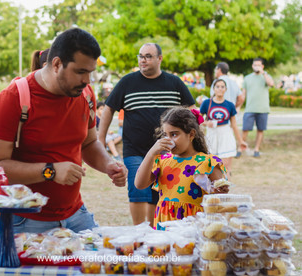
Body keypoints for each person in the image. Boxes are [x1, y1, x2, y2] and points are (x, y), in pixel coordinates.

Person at [0, 28, 127, 234]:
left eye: (90, 72)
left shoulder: (85, 94)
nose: (87, 80)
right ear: (57, 64)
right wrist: (50, 171)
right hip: (24, 220)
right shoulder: (14, 97)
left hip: (76, 215)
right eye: (80, 72)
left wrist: (108, 164)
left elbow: (88, 143)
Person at [98, 43, 196, 226]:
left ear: (160, 58)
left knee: (157, 193)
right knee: (137, 190)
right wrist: (101, 139)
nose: (143, 60)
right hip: (135, 149)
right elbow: (109, 109)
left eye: (148, 56)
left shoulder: (174, 83)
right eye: (141, 56)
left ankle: (153, 233)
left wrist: (192, 141)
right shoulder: (127, 82)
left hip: (167, 151)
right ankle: (138, 233)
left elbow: (191, 111)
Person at [134, 107, 228, 229]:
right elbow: (139, 184)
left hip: (193, 229)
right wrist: (151, 153)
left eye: (174, 134)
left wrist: (220, 191)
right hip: (165, 228)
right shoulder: (162, 161)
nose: (169, 140)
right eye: (165, 135)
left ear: (191, 134)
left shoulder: (208, 163)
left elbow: (220, 201)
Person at [200, 79, 247, 180]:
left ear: (226, 89)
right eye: (217, 86)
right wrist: (206, 123)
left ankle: (225, 193)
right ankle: (212, 193)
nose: (220, 89)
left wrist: (240, 141)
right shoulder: (207, 103)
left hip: (225, 134)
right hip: (211, 135)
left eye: (222, 87)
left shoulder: (230, 105)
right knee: (211, 167)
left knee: (225, 167)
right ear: (213, 89)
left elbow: (234, 125)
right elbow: (198, 120)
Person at [237, 58, 274, 158]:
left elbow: (271, 84)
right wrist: (239, 107)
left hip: (263, 109)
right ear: (252, 66)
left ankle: (256, 149)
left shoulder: (266, 76)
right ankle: (240, 148)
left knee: (260, 130)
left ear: (262, 66)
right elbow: (243, 94)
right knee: (245, 129)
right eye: (254, 65)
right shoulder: (247, 78)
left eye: (258, 65)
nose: (256, 66)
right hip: (250, 108)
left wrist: (263, 73)